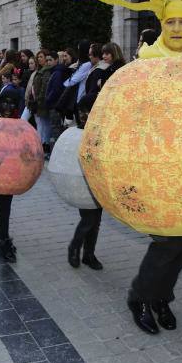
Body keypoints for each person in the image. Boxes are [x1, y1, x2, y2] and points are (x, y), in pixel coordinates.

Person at [67, 93, 104, 271]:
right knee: (89, 219)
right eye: (82, 111)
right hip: (82, 181)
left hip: (99, 181)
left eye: (88, 111)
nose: (84, 115)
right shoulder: (77, 133)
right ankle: (75, 247)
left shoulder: (100, 130)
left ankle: (89, 254)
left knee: (96, 220)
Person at [0, 88, 25, 263]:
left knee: (4, 209)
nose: (8, 106)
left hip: (10, 174)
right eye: (5, 102)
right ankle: (4, 242)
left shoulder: (20, 126)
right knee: (4, 209)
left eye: (12, 103)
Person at [31, 50, 56, 156]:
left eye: (41, 57)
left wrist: (38, 100)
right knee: (41, 124)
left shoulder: (46, 71)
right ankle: (42, 145)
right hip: (38, 101)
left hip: (42, 102)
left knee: (45, 125)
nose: (39, 59)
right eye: (38, 57)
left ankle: (44, 146)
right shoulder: (40, 70)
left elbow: (44, 87)